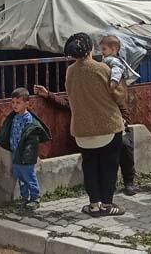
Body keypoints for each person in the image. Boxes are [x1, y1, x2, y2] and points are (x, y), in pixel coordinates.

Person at [62, 32, 127, 217]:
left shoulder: (70, 71)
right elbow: (119, 95)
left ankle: (93, 206)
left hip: (81, 131)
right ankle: (107, 205)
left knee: (89, 168)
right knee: (108, 168)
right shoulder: (102, 68)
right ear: (90, 48)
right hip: (108, 127)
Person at [0, 87, 52, 210]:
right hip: (16, 154)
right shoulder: (14, 117)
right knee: (20, 177)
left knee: (29, 177)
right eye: (13, 102)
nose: (14, 105)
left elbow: (32, 141)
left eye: (18, 102)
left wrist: (27, 156)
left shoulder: (29, 120)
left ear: (26, 104)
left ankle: (35, 198)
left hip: (26, 156)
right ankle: (24, 197)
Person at [99, 35, 139, 196]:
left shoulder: (114, 63)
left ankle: (129, 181)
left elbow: (116, 79)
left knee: (124, 146)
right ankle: (111, 182)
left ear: (114, 49)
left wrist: (113, 84)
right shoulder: (103, 64)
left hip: (120, 109)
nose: (102, 52)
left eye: (104, 49)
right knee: (109, 149)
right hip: (107, 109)